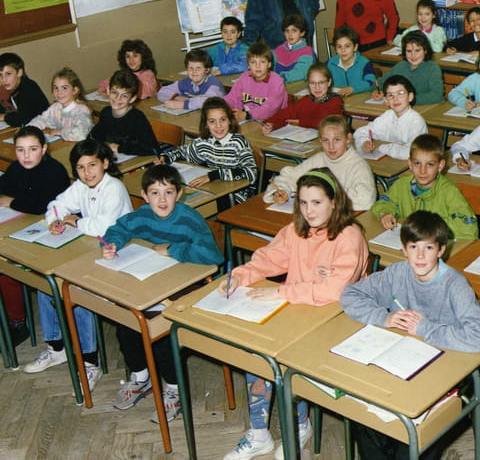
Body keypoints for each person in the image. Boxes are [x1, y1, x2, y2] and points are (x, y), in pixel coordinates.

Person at [220, 168, 369, 460]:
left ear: (334, 202)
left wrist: (282, 292)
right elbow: (269, 258)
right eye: (303, 202)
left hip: (339, 319)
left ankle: (301, 425)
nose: (309, 211)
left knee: (289, 359)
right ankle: (259, 434)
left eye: (317, 202)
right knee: (257, 350)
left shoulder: (349, 236)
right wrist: (240, 275)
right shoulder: (296, 230)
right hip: (299, 310)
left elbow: (335, 291)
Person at [340, 210, 480, 460]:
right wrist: (383, 317)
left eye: (428, 248)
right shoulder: (397, 273)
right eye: (413, 247)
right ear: (403, 249)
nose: (420, 256)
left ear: (441, 250)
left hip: (445, 372)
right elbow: (350, 294)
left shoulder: (455, 284)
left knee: (412, 441)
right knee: (364, 419)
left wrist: (425, 328)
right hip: (401, 364)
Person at [102, 164, 222, 423]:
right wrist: (112, 243)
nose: (162, 200)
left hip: (186, 286)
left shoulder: (189, 219)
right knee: (127, 319)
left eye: (168, 192)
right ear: (145, 196)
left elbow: (213, 255)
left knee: (160, 329)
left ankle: (174, 390)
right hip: (151, 281)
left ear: (179, 194)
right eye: (155, 193)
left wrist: (173, 249)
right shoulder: (142, 215)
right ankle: (140, 377)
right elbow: (119, 229)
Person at [25, 140, 133, 392]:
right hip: (91, 249)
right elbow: (56, 204)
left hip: (119, 253)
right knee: (47, 282)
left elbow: (104, 226)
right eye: (81, 168)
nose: (87, 172)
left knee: (76, 289)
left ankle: (89, 361)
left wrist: (75, 221)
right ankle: (57, 348)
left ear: (105, 163)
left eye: (92, 165)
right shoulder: (81, 186)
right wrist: (55, 220)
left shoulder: (114, 188)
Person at [0, 127, 70, 347]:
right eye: (20, 150)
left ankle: (17, 322)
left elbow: (41, 205)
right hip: (23, 226)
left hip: (52, 233)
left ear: (44, 148)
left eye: (32, 149)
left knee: (7, 267)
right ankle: (12, 316)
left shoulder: (54, 170)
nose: (26, 156)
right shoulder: (16, 168)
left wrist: (12, 202)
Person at [371, 133, 478, 240]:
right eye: (417, 163)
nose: (422, 171)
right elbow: (384, 202)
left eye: (430, 164)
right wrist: (385, 213)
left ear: (440, 166)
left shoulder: (449, 191)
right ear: (410, 163)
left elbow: (468, 228)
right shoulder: (401, 185)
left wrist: (430, 227)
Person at [157, 97, 257, 209]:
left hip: (238, 195)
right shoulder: (205, 142)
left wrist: (214, 175)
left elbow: (251, 173)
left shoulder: (238, 142)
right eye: (212, 121)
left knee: (196, 208)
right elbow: (183, 152)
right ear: (206, 124)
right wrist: (166, 158)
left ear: (230, 120)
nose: (218, 125)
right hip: (214, 189)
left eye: (223, 120)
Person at [263, 115, 376, 211]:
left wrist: (326, 195)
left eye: (337, 140)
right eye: (326, 140)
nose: (331, 146)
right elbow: (290, 176)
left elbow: (366, 200)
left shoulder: (358, 166)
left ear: (348, 139)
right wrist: (282, 190)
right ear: (320, 140)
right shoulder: (319, 159)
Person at [353, 75, 428, 160]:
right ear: (386, 100)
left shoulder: (416, 121)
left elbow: (411, 152)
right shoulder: (388, 115)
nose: (395, 99)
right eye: (390, 95)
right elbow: (360, 132)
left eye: (400, 93)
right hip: (389, 160)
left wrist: (381, 147)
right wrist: (364, 143)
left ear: (410, 97)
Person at [89, 69, 159, 156]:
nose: (118, 98)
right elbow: (94, 136)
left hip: (134, 159)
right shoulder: (106, 112)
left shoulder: (136, 118)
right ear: (108, 91)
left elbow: (152, 149)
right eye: (115, 92)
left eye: (124, 96)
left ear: (132, 99)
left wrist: (120, 148)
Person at [261, 63, 343, 133]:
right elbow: (285, 114)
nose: (317, 87)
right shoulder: (306, 100)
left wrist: (300, 122)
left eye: (321, 82)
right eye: (312, 83)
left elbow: (324, 122)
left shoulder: (335, 101)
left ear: (329, 82)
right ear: (308, 83)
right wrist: (271, 123)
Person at [375, 31, 445, 105]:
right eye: (409, 51)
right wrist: (378, 92)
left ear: (425, 50)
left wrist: (405, 100)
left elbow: (437, 95)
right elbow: (379, 84)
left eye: (417, 50)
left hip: (425, 108)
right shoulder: (401, 66)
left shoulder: (432, 68)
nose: (413, 55)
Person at [224, 43, 287, 122]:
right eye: (253, 62)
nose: (258, 66)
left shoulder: (276, 81)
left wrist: (247, 115)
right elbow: (232, 98)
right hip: (248, 119)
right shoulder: (244, 77)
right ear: (248, 65)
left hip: (272, 120)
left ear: (269, 64)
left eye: (262, 62)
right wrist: (224, 108)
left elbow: (270, 108)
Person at [28, 67, 93, 141]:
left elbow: (82, 134)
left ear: (75, 90)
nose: (59, 92)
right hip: (63, 143)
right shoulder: (55, 107)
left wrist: (61, 132)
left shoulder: (81, 110)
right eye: (56, 88)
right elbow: (42, 119)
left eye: (64, 88)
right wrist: (28, 129)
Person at [156, 49, 224, 111]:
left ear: (207, 70)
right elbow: (162, 92)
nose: (194, 71)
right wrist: (178, 97)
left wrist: (182, 104)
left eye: (198, 68)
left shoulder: (213, 83)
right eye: (191, 68)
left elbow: (210, 102)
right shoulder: (186, 82)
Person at [0, 52, 49, 127]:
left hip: (43, 127)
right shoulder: (5, 89)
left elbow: (22, 119)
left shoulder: (29, 88)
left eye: (8, 74)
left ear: (19, 73)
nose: (4, 79)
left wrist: (4, 117)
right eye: (0, 75)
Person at [327, 25, 376, 96]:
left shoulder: (364, 63)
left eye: (347, 46)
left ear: (355, 47)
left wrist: (353, 89)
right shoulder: (329, 63)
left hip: (359, 99)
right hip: (337, 98)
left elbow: (371, 82)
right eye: (339, 46)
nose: (343, 50)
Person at [272, 13, 315, 83]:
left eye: (294, 30)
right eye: (287, 31)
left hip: (298, 86)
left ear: (302, 33)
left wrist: (281, 78)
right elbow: (270, 68)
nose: (290, 34)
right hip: (278, 85)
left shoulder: (307, 51)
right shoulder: (278, 50)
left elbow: (300, 73)